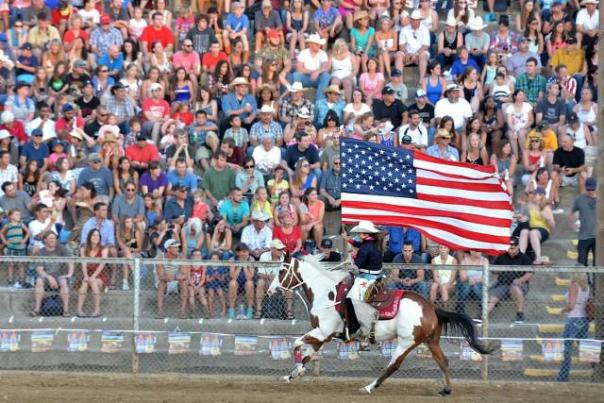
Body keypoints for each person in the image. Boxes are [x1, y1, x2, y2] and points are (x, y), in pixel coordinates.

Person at [345, 220, 384, 340]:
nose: (358, 235)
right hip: (377, 276)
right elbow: (358, 244)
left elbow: (357, 266)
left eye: (359, 233)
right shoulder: (372, 244)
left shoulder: (365, 248)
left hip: (366, 278)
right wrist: (349, 240)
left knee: (351, 298)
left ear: (365, 234)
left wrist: (350, 261)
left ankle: (362, 328)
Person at [489, 237, 533, 324]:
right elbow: (493, 270)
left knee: (515, 288)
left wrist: (520, 280)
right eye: (508, 248)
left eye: (512, 248)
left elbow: (530, 273)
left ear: (518, 247)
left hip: (519, 285)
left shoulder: (524, 257)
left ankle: (520, 314)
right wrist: (496, 270)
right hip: (503, 284)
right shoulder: (501, 256)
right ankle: (482, 316)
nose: (510, 251)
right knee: (493, 298)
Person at [557, 273, 591, 382]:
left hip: (573, 319)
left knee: (567, 349)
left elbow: (571, 306)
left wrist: (562, 310)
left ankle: (563, 377)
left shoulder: (574, 285)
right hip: (583, 319)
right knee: (587, 347)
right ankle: (598, 368)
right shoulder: (586, 287)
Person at [31, 231, 74, 317]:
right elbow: (39, 270)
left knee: (63, 282)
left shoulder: (61, 248)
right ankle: (37, 309)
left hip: (60, 277)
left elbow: (71, 261)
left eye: (54, 238)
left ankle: (65, 311)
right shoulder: (41, 252)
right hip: (46, 277)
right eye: (50, 238)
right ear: (45, 240)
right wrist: (49, 277)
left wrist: (70, 273)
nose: (53, 240)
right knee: (39, 281)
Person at [76, 228, 109, 318]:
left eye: (97, 235)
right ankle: (79, 310)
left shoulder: (104, 248)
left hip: (100, 275)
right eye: (93, 235)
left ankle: (97, 310)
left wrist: (93, 276)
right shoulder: (84, 247)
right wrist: (86, 276)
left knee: (93, 281)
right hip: (87, 273)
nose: (96, 237)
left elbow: (102, 264)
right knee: (85, 283)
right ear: (89, 236)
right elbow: (83, 263)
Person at [156, 239, 190, 319]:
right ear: (168, 249)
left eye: (178, 247)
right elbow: (161, 276)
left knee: (184, 283)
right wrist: (170, 277)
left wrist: (174, 277)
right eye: (175, 247)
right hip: (165, 281)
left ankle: (182, 312)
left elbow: (184, 275)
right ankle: (160, 312)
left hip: (177, 281)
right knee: (161, 284)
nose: (177, 249)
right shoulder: (160, 258)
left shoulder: (181, 257)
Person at [570, 177, 597, 266]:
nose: (590, 192)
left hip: (598, 238)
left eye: (592, 189)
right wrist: (573, 224)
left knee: (598, 264)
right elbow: (571, 213)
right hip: (584, 236)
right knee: (581, 263)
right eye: (589, 189)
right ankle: (585, 279)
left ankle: (595, 279)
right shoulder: (579, 199)